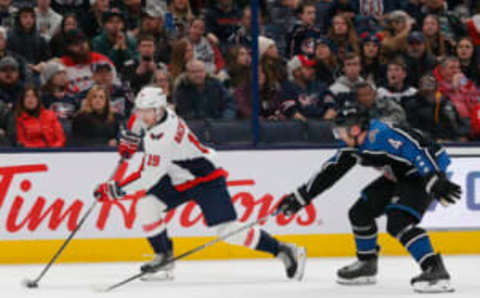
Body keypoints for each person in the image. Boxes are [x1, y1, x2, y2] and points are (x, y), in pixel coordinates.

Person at [94, 86, 306, 281]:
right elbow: (136, 121)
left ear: (159, 110)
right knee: (146, 205)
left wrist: (116, 190)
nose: (142, 115)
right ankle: (164, 259)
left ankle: (282, 250)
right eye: (140, 110)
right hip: (177, 176)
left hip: (204, 179)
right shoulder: (157, 116)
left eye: (147, 111)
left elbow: (147, 176)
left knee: (227, 231)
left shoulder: (162, 136)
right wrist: (131, 137)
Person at [276, 101, 461, 293]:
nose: (339, 136)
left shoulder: (382, 136)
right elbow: (330, 172)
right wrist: (300, 198)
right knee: (360, 212)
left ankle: (434, 269)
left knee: (398, 221)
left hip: (423, 174)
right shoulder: (354, 146)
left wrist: (434, 178)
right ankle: (367, 265)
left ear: (355, 129)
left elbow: (418, 149)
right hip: (400, 174)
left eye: (341, 131)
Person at [404, 74, 469, 142]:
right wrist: (433, 138)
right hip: (424, 141)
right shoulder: (412, 105)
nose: (428, 87)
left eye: (431, 85)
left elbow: (457, 123)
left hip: (448, 140)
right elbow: (412, 128)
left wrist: (461, 135)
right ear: (419, 88)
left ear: (436, 89)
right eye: (425, 85)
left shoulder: (445, 104)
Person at [60, 29, 118, 96]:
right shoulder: (62, 64)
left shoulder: (101, 60)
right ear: (68, 48)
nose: (82, 46)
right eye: (76, 44)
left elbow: (114, 83)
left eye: (83, 42)